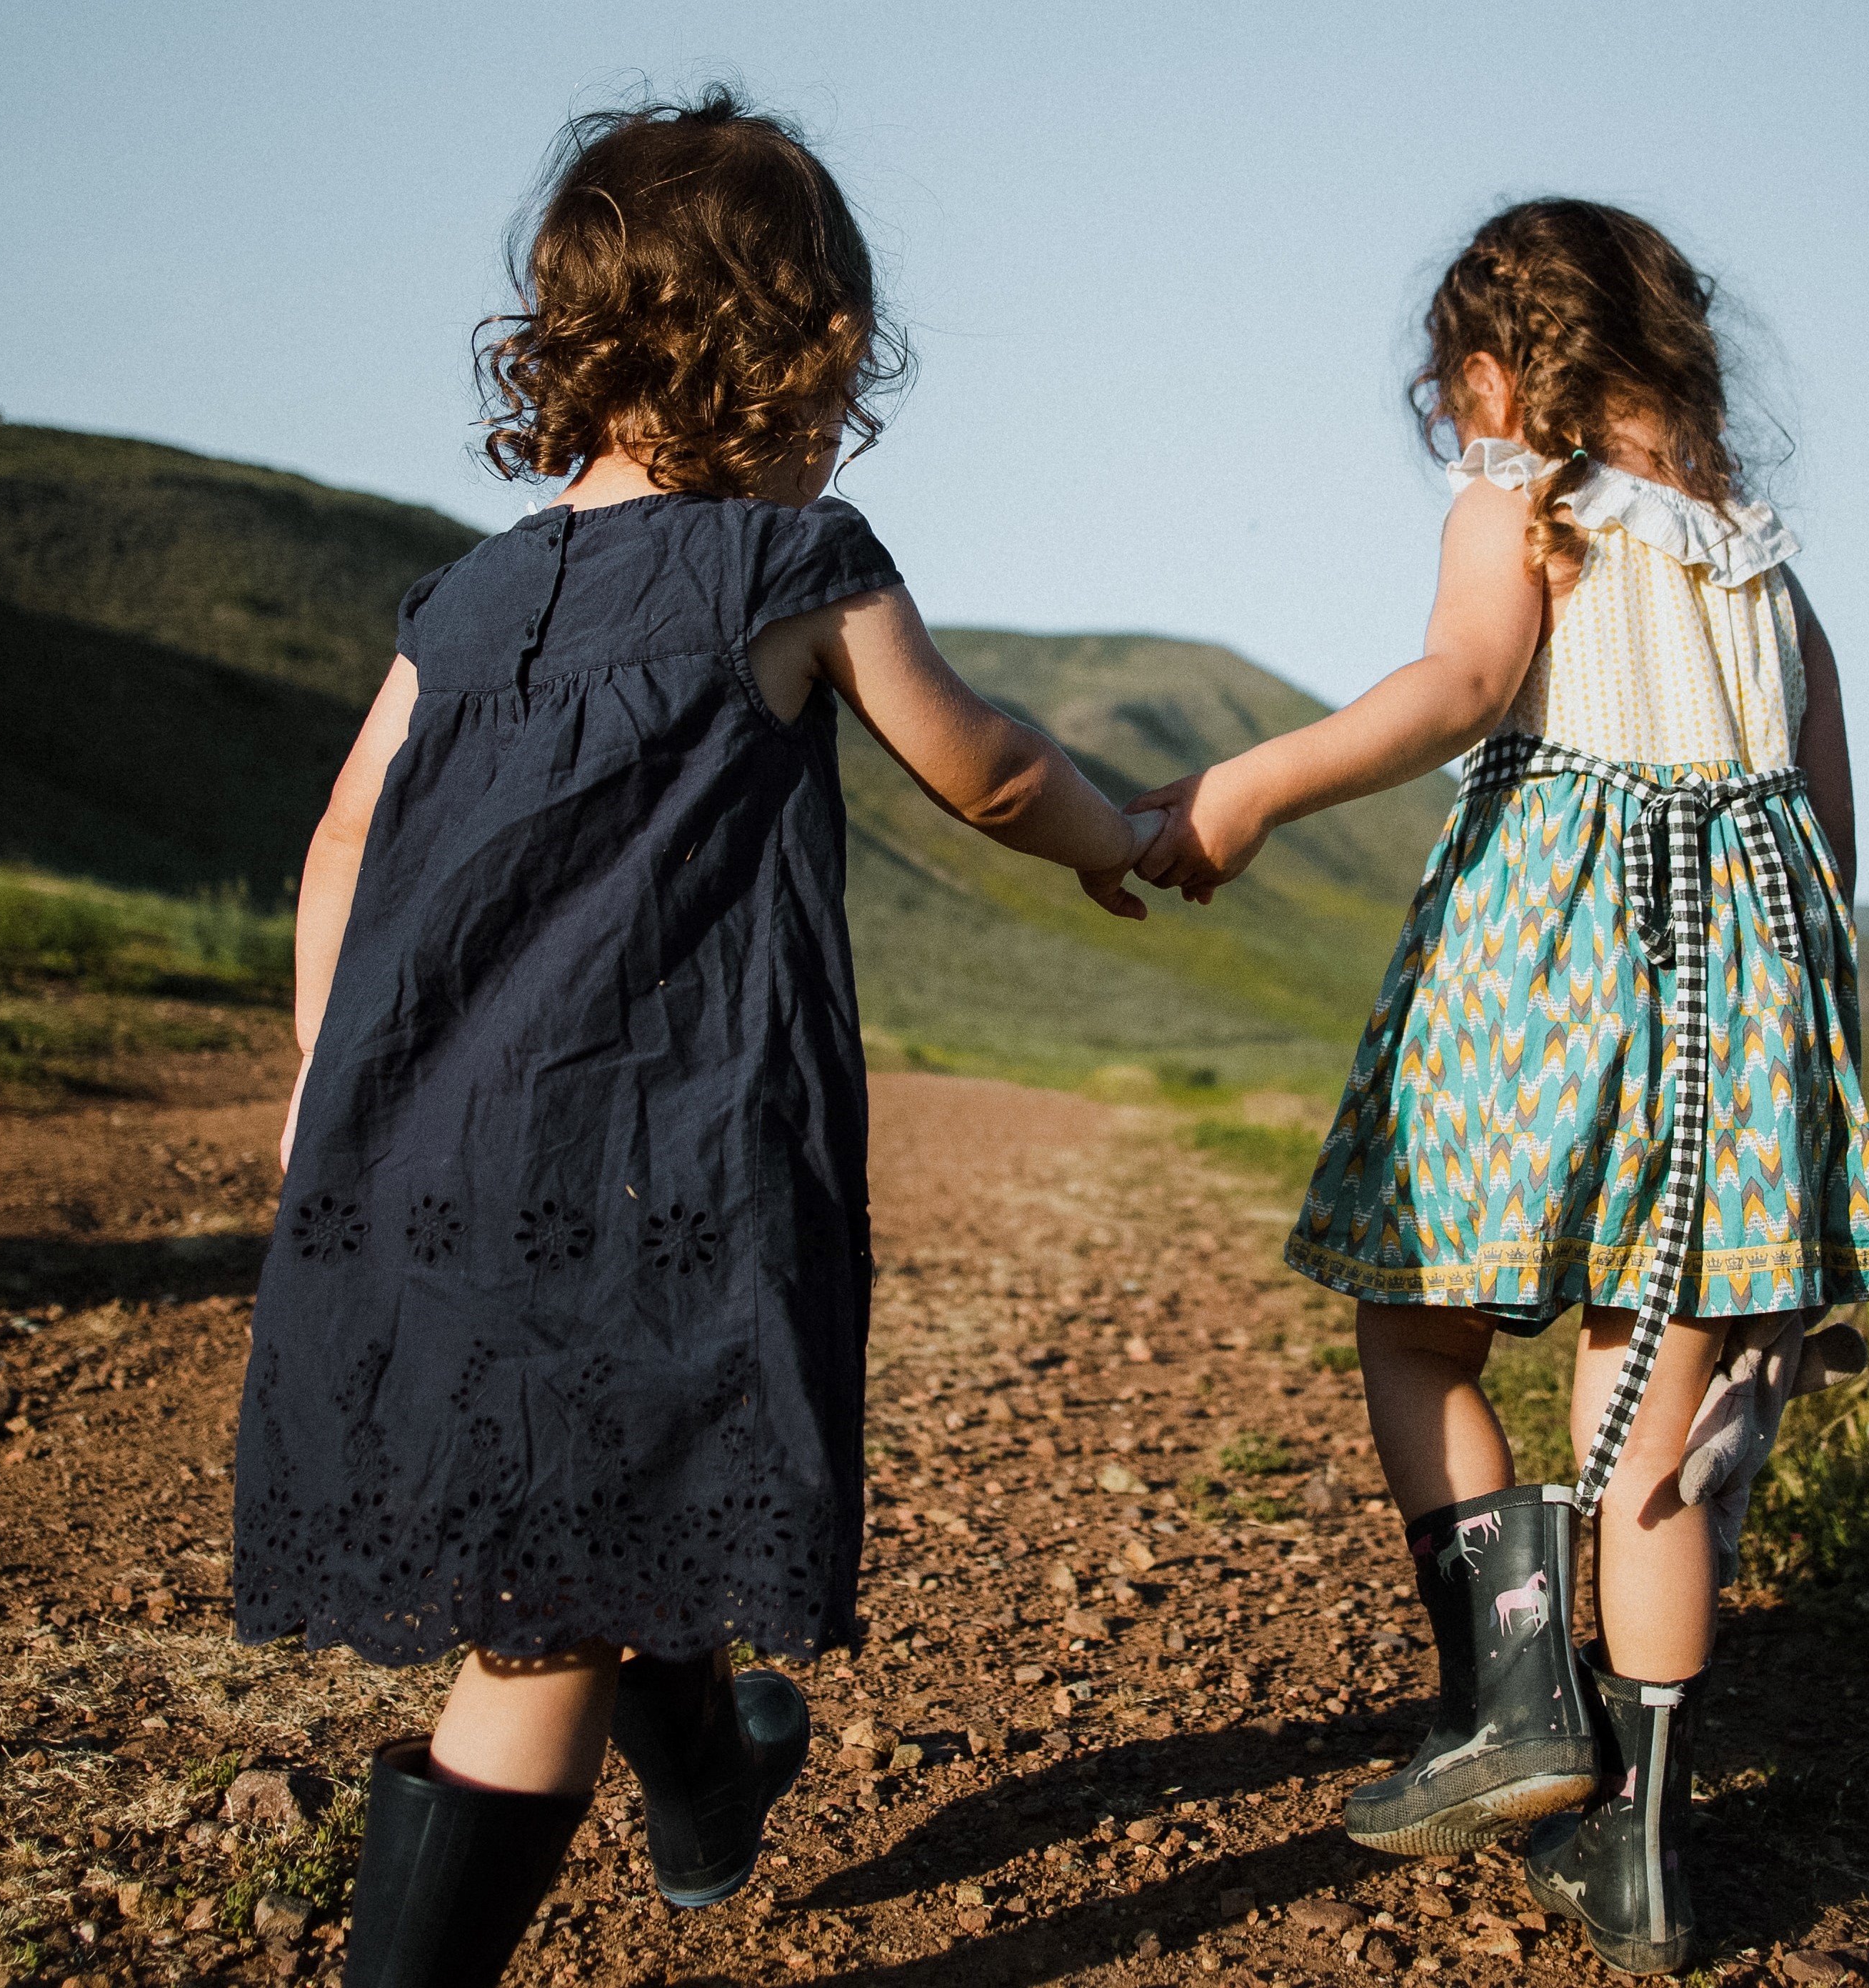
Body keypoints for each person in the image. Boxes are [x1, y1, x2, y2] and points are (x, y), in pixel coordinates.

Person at [232, 91, 1156, 1987]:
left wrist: (326, 1097)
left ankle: (715, 1778)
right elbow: (979, 770)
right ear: (794, 344)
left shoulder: (466, 598)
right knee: (543, 1618)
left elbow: (338, 841)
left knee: (590, 1499)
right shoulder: (791, 565)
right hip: (655, 1155)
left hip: (419, 1150)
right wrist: (1123, 836)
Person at [1131, 199, 1869, 1974]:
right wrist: (1795, 1072)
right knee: (1649, 1435)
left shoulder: (1524, 499)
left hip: (1547, 971)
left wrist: (1245, 791)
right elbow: (1828, 838)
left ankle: (1512, 1698)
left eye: (1456, 387)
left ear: (1501, 370)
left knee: (1418, 1324)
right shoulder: (1760, 563)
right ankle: (1641, 1856)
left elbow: (1462, 683)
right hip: (1746, 1007)